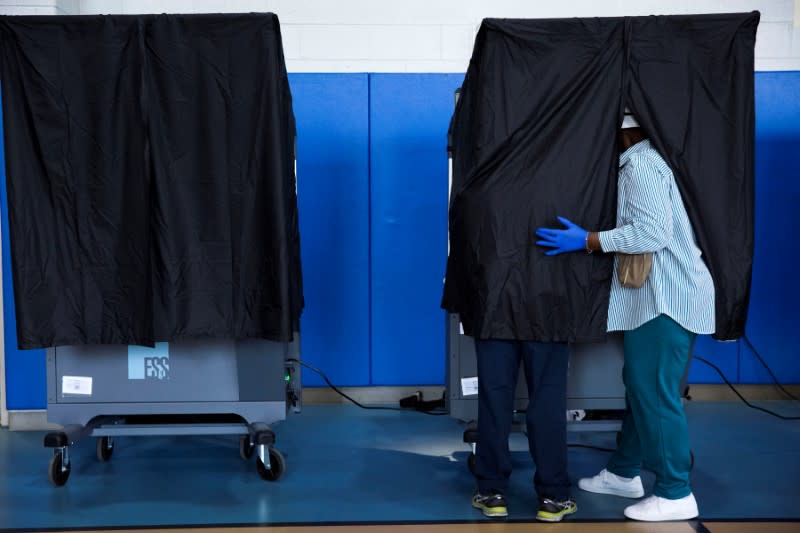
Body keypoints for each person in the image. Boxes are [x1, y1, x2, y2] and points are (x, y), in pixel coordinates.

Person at [534, 109, 715, 521]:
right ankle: (623, 473)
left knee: (654, 392)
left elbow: (653, 232)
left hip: (665, 299)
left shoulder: (639, 165)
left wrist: (589, 240)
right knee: (641, 388)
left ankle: (675, 492)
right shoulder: (650, 161)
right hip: (658, 298)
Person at [470, 336, 577, 522]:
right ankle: (554, 496)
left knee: (494, 399)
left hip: (495, 314)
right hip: (548, 318)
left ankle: (492, 493)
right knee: (547, 398)